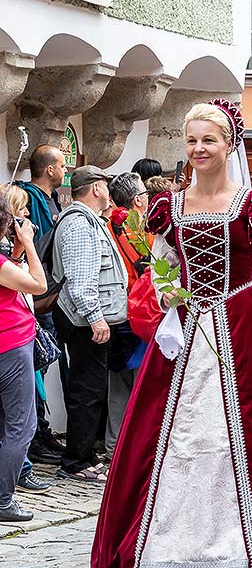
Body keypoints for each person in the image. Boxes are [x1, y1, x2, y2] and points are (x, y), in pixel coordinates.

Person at [91, 98, 252, 568]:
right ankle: (166, 546)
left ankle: (250, 546)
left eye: (209, 139)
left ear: (230, 144)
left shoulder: (251, 205)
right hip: (187, 327)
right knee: (170, 434)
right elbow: (162, 266)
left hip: (245, 324)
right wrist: (168, 292)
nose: (199, 148)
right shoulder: (168, 208)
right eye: (192, 141)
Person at [52, 166, 128, 483]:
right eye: (105, 186)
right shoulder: (81, 226)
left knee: (91, 387)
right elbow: (82, 283)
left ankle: (84, 455)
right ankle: (77, 461)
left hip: (86, 320)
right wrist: (96, 318)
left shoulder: (86, 222)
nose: (108, 192)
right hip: (84, 322)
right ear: (96, 188)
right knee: (88, 390)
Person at [16, 144, 67, 466]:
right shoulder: (32, 200)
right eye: (62, 164)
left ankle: (41, 431)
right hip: (34, 295)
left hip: (46, 295)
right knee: (33, 370)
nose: (65, 170)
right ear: (49, 169)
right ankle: (34, 439)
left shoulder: (51, 199)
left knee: (41, 369)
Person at [0, 185, 51, 495]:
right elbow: (38, 284)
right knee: (22, 425)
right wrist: (30, 245)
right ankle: (4, 498)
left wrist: (17, 251)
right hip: (11, 344)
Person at [104, 172, 153, 461]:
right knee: (142, 386)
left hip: (114, 313)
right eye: (145, 196)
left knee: (118, 384)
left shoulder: (108, 225)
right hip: (140, 313)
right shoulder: (143, 230)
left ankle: (114, 448)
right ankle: (138, 451)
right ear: (137, 200)